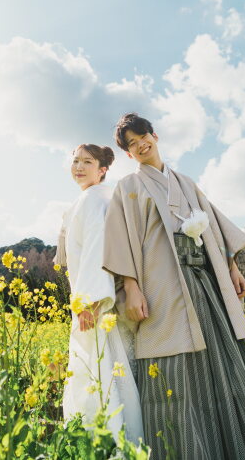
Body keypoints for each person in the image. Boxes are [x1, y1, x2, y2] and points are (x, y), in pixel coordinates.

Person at [102, 113, 245, 460]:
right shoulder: (129, 188)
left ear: (155, 135)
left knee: (224, 359)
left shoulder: (186, 181)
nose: (140, 145)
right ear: (128, 154)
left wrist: (231, 267)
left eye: (143, 137)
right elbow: (123, 239)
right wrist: (132, 287)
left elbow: (212, 228)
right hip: (162, 283)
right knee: (171, 364)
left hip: (205, 282)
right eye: (132, 144)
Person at [55, 143, 143, 445]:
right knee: (113, 375)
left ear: (102, 169)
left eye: (87, 162)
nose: (78, 167)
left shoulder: (95, 199)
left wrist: (89, 302)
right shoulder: (95, 197)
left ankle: (112, 444)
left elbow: (97, 251)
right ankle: (122, 442)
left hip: (94, 304)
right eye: (75, 161)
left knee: (101, 373)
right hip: (95, 300)